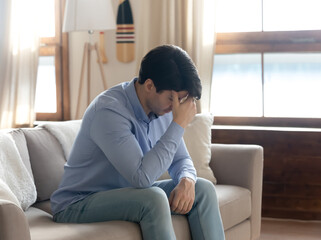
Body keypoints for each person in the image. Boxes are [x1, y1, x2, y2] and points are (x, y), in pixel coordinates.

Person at [50, 45, 225, 240]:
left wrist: (187, 180)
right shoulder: (109, 111)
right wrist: (178, 124)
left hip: (128, 195)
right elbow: (142, 179)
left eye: (181, 100)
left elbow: (181, 159)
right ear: (149, 86)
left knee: (203, 189)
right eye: (171, 98)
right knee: (153, 198)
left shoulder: (163, 109)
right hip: (79, 202)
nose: (175, 106)